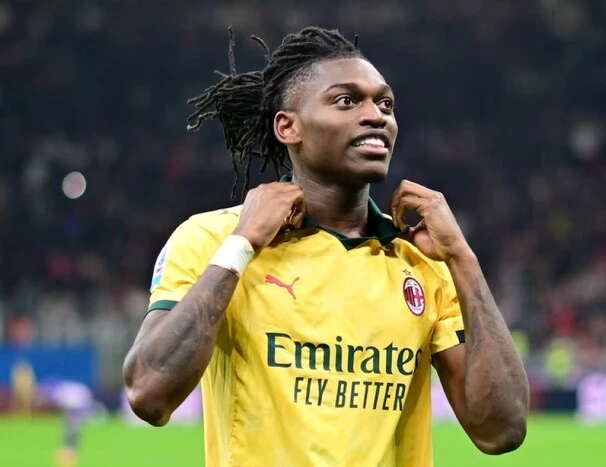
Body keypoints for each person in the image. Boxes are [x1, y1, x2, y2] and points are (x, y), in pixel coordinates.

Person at [123, 26, 529, 465]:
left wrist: (463, 259)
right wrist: (244, 243)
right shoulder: (213, 240)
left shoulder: (424, 263)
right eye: (347, 101)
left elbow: (501, 430)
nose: (376, 116)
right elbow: (148, 393)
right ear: (288, 126)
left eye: (385, 104)